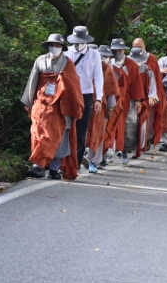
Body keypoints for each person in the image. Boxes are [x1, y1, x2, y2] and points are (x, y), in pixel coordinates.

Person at [23, 34, 85, 180]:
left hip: (60, 107)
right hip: (42, 104)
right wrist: (28, 102)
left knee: (60, 137)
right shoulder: (40, 61)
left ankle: (54, 169)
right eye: (53, 45)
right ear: (48, 46)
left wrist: (74, 107)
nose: (55, 48)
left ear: (62, 48)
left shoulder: (68, 64)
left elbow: (73, 87)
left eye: (58, 46)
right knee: (39, 134)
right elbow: (32, 82)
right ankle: (38, 167)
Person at [65, 26, 103, 172]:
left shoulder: (94, 54)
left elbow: (98, 77)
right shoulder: (66, 52)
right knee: (66, 128)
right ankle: (63, 160)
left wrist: (98, 98)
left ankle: (76, 162)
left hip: (86, 93)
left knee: (81, 131)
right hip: (68, 94)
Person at [85, 45, 119, 173]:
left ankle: (94, 161)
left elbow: (111, 91)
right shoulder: (86, 64)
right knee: (83, 132)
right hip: (85, 103)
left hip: (101, 106)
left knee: (98, 133)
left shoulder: (107, 69)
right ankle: (82, 158)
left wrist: (110, 107)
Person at [132, 37, 165, 151]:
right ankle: (128, 145)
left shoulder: (151, 60)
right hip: (130, 96)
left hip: (146, 96)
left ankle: (144, 142)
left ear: (144, 47)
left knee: (146, 120)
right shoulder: (128, 60)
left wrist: (153, 96)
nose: (137, 49)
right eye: (135, 47)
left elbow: (155, 79)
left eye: (139, 47)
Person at [129, 46, 159, 154]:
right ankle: (125, 148)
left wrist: (152, 96)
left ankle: (138, 147)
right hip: (128, 100)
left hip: (143, 100)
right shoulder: (126, 68)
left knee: (141, 125)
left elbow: (153, 86)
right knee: (128, 124)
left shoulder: (147, 70)